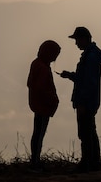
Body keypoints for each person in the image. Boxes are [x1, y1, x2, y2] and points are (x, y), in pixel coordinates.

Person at [60, 26, 101, 172]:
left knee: (85, 132)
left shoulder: (90, 57)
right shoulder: (90, 55)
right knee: (90, 131)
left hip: (86, 101)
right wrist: (70, 75)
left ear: (85, 39)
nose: (76, 43)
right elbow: (84, 78)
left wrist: (83, 103)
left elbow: (88, 83)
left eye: (77, 40)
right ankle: (93, 162)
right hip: (89, 100)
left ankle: (88, 163)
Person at [27, 39, 61, 172]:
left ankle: (35, 160)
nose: (55, 58)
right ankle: (35, 161)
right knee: (39, 134)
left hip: (39, 105)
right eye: (54, 54)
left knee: (38, 133)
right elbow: (41, 88)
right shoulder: (42, 67)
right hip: (42, 106)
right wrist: (53, 99)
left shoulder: (38, 64)